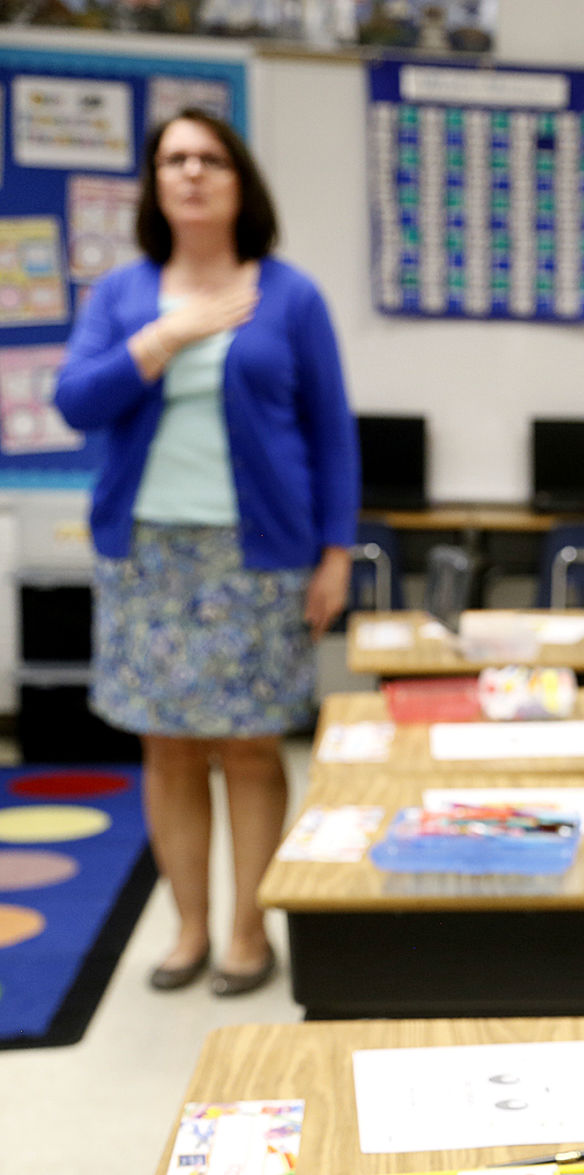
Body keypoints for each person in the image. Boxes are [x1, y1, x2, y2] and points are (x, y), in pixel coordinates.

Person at [55, 109, 359, 997]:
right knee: (170, 748)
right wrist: (165, 336)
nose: (190, 172)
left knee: (251, 748)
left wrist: (335, 553)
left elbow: (330, 433)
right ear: (155, 183)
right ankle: (187, 927)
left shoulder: (290, 295)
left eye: (209, 158)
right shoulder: (121, 294)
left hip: (258, 554)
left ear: (238, 180)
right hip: (145, 553)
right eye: (173, 159)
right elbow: (77, 401)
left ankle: (245, 929)